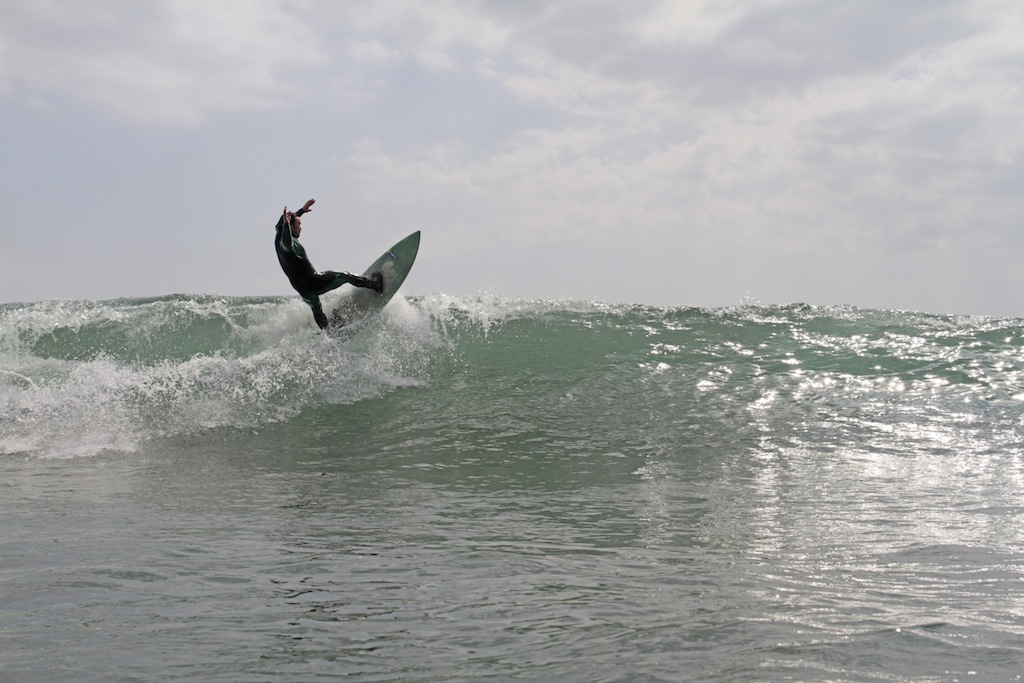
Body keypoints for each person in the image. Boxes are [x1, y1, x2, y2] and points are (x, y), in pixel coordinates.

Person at [275, 198, 382, 329]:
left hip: (302, 289)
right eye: (299, 225)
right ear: (290, 227)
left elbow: (284, 225)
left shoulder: (278, 237)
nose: (301, 228)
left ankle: (327, 333)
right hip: (314, 282)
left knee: (317, 310)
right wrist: (288, 223)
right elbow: (287, 241)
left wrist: (302, 210)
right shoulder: (288, 244)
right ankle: (375, 285)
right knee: (345, 276)